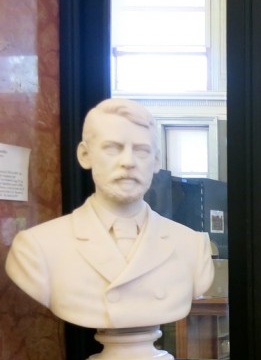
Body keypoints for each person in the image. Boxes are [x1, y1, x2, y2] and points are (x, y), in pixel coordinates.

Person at [5, 97, 215, 332]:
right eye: (112, 148)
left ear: (156, 161)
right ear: (85, 155)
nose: (128, 162)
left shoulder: (193, 247)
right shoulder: (36, 249)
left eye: (141, 151)